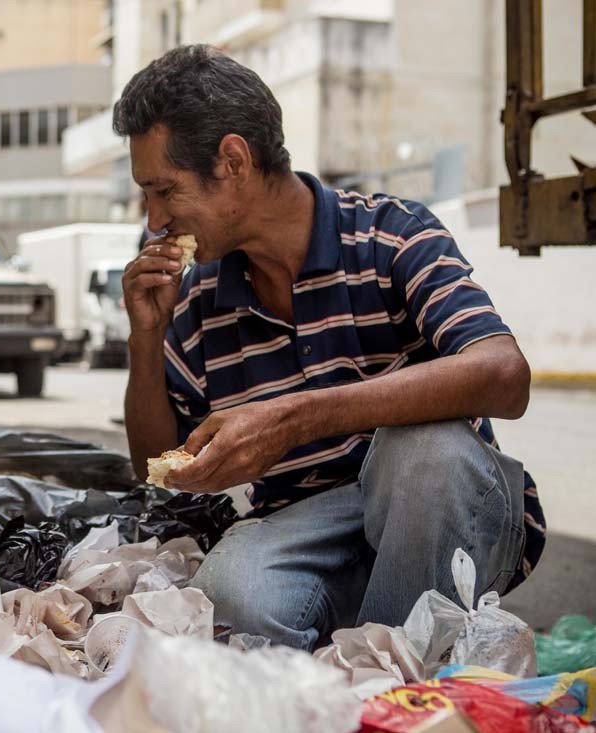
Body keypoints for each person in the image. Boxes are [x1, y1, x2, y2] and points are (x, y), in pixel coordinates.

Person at [115, 46, 545, 650]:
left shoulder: (390, 234)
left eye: (164, 191)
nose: (155, 220)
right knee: (231, 594)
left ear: (233, 161)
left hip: (444, 516)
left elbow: (504, 374)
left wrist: (299, 417)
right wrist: (145, 336)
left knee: (430, 453)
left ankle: (393, 690)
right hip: (308, 533)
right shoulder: (198, 294)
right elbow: (154, 464)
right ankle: (372, 652)